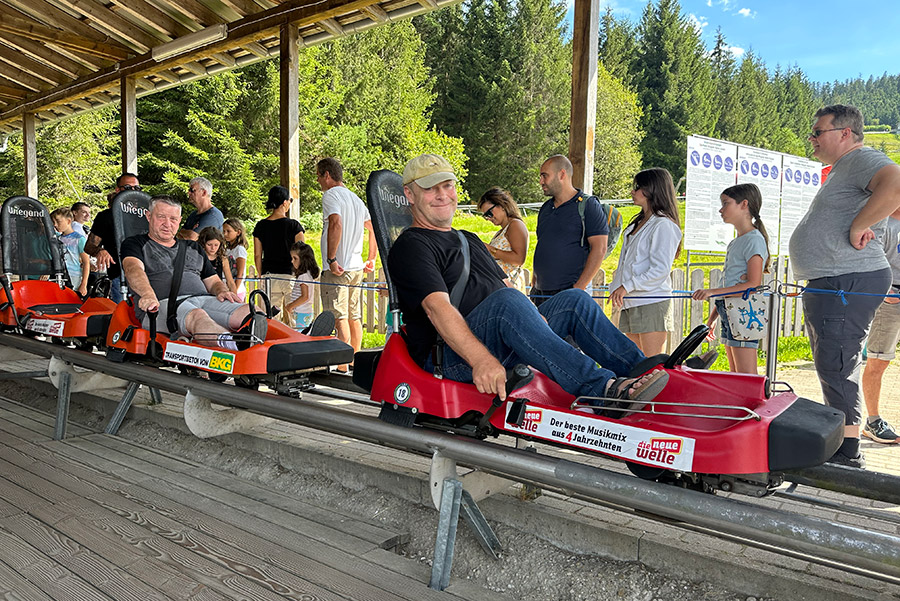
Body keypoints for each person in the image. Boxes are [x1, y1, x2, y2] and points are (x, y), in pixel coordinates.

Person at [389, 153, 667, 408]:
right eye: (430, 188)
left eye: (447, 186)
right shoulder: (412, 245)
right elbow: (438, 309)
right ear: (410, 195)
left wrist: (533, 317)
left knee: (574, 299)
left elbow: (505, 286)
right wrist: (481, 360)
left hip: (501, 334)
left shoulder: (467, 239)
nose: (442, 195)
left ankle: (642, 371)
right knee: (506, 303)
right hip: (452, 356)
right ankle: (603, 389)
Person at [788, 104, 900, 468]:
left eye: (818, 131)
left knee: (837, 364)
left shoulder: (861, 158)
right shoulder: (844, 169)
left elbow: (895, 185)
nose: (812, 137)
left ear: (845, 133)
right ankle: (842, 443)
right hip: (836, 278)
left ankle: (847, 452)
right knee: (833, 364)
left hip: (845, 278)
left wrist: (858, 227)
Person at [121, 196, 265, 349]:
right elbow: (133, 270)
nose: (167, 224)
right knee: (197, 315)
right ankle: (234, 346)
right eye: (161, 217)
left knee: (252, 312)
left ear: (179, 221)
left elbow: (213, 281)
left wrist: (222, 290)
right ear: (149, 216)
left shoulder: (192, 247)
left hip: (202, 300)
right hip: (162, 305)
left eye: (173, 219)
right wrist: (147, 294)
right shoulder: (135, 244)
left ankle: (281, 347)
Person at [692, 184, 771, 374]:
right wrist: (712, 318)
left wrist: (712, 292)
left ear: (744, 205)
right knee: (736, 374)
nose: (721, 209)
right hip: (729, 311)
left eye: (726, 203)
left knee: (746, 375)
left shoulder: (754, 239)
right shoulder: (737, 241)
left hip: (743, 313)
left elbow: (753, 283)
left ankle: (753, 404)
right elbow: (730, 283)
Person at [609, 169, 682, 356]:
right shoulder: (638, 222)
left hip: (651, 300)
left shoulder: (664, 225)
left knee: (653, 366)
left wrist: (627, 286)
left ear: (652, 190)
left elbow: (660, 270)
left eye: (638, 187)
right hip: (631, 302)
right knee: (637, 364)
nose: (633, 192)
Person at [317, 157, 376, 371]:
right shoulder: (356, 199)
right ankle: (355, 361)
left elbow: (336, 223)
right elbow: (372, 228)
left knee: (338, 316)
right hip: (356, 266)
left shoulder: (331, 196)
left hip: (338, 268)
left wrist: (332, 259)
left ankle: (342, 365)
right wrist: (371, 258)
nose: (318, 181)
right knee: (355, 316)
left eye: (318, 176)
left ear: (327, 175)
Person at [531, 154, 609, 307]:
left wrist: (579, 287)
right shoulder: (545, 208)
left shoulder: (588, 205)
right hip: (540, 293)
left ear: (562, 174)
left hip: (569, 292)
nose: (541, 182)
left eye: (544, 176)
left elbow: (600, 248)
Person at [861, 210, 900, 444]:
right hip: (890, 298)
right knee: (878, 360)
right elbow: (870, 261)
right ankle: (873, 421)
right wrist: (886, 292)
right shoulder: (884, 225)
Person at [85, 173, 141, 303]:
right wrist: (100, 251)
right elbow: (88, 246)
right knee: (123, 316)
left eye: (137, 188)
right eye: (127, 187)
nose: (132, 192)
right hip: (120, 276)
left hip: (147, 274)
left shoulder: (146, 214)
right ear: (118, 190)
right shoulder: (106, 216)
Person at [253, 185, 305, 324]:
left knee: (271, 318)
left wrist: (260, 275)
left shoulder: (260, 226)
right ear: (285, 202)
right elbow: (302, 253)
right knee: (294, 317)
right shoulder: (294, 226)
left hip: (269, 276)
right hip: (290, 275)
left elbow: (258, 255)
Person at [477, 187, 529, 293]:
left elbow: (519, 259)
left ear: (502, 206)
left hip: (510, 287)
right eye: (485, 216)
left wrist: (491, 250)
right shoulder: (501, 231)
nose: (488, 218)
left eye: (489, 213)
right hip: (500, 286)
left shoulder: (515, 225)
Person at [50, 207, 89, 297]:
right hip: (59, 275)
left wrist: (84, 284)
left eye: (58, 221)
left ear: (68, 221)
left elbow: (86, 262)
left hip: (74, 276)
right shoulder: (57, 238)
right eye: (53, 222)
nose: (55, 224)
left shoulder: (79, 239)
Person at [286, 241, 320, 331]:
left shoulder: (303, 276)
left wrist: (291, 306)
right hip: (304, 312)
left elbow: (305, 296)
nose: (292, 261)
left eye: (295, 258)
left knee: (300, 336)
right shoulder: (307, 275)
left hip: (301, 312)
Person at [179, 177, 224, 241]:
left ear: (204, 193)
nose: (188, 193)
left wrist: (186, 232)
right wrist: (189, 232)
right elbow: (179, 234)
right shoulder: (193, 215)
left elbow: (192, 237)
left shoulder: (213, 215)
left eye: (192, 190)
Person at [198, 226, 236, 294]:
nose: (213, 248)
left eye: (216, 245)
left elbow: (230, 282)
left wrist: (235, 299)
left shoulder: (223, 259)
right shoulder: (198, 257)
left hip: (217, 292)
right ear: (203, 243)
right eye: (209, 245)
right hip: (200, 293)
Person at [223, 218, 248, 299]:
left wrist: (235, 291)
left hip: (237, 290)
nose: (225, 234)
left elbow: (240, 273)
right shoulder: (227, 250)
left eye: (228, 231)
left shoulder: (239, 249)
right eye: (224, 231)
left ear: (238, 232)